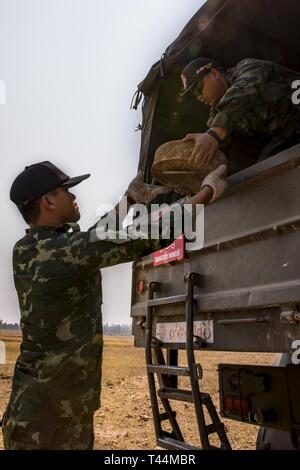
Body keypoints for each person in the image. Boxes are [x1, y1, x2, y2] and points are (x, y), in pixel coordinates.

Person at [2, 160, 227, 450]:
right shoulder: (55, 251)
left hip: (57, 415)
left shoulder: (40, 248)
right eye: (66, 191)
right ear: (47, 201)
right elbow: (131, 240)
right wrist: (206, 193)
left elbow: (95, 240)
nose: (73, 196)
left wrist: (130, 199)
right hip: (45, 426)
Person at [180, 57, 300, 169]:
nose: (199, 97)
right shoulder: (217, 113)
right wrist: (194, 174)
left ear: (214, 74)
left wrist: (214, 134)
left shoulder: (247, 67)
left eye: (198, 88)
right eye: (194, 95)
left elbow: (243, 90)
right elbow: (217, 148)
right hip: (288, 135)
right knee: (265, 170)